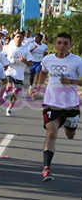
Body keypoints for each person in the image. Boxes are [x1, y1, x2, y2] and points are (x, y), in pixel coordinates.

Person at [36, 32, 82, 182]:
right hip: (52, 103)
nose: (62, 46)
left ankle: (71, 125)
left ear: (70, 45)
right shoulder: (47, 59)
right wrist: (37, 87)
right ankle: (46, 168)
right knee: (51, 133)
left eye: (65, 43)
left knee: (70, 135)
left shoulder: (77, 61)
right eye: (59, 42)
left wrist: (71, 82)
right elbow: (43, 73)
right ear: (55, 44)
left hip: (71, 106)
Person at [2, 31, 32, 116]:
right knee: (9, 84)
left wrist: (24, 61)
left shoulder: (25, 50)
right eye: (17, 37)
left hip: (19, 75)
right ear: (14, 38)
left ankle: (9, 109)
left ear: (22, 39)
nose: (18, 38)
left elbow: (30, 63)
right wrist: (5, 64)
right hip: (9, 71)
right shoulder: (8, 47)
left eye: (20, 37)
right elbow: (2, 56)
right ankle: (6, 92)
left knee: (15, 93)